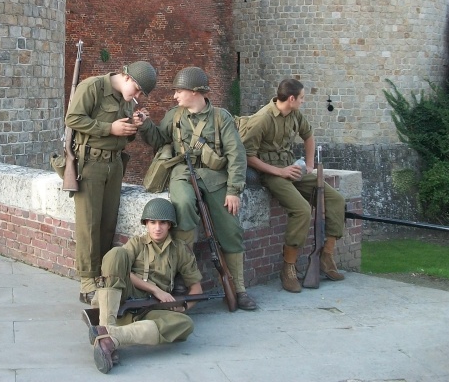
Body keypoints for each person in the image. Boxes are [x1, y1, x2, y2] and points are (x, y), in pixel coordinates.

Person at [140, 66, 257, 311]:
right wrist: (145, 124)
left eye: (179, 91)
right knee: (182, 207)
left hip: (214, 177)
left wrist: (234, 190)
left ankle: (239, 289)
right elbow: (159, 140)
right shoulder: (175, 116)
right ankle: (185, 277)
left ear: (195, 92)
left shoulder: (220, 117)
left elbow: (236, 154)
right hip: (183, 172)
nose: (175, 96)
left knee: (230, 226)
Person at [240, 78, 346, 293]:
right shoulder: (262, 119)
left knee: (335, 199)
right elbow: (247, 155)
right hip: (271, 174)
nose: (303, 102)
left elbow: (308, 135)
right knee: (302, 210)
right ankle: (288, 267)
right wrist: (279, 171)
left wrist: (308, 165)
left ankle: (326, 255)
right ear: (291, 99)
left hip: (292, 169)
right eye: (302, 98)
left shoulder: (295, 114)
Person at [65, 60, 157, 304]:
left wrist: (132, 127)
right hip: (91, 164)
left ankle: (104, 276)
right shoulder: (93, 87)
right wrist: (110, 128)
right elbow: (72, 119)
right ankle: (87, 281)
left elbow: (123, 139)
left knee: (108, 224)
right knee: (89, 225)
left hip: (114, 165)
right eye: (137, 90)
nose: (136, 96)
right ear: (127, 77)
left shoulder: (126, 100)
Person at [88, 197, 203, 374]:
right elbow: (122, 272)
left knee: (185, 324)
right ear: (146, 224)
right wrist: (155, 289)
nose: (158, 228)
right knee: (116, 254)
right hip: (126, 296)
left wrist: (183, 307)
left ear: (170, 225)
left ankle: (109, 338)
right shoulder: (137, 243)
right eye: (152, 222)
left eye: (163, 223)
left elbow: (196, 289)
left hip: (152, 307)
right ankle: (107, 324)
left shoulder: (180, 249)